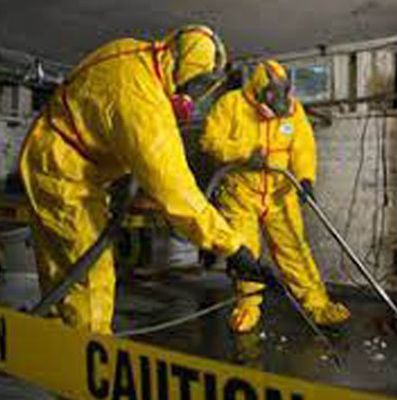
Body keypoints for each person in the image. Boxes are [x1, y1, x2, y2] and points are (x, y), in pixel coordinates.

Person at [19, 25, 260, 334]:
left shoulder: (132, 51)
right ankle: (89, 355)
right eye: (195, 86)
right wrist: (232, 247)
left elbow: (103, 116)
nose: (191, 97)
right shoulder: (143, 103)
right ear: (182, 69)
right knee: (90, 275)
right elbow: (175, 190)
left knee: (61, 265)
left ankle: (55, 337)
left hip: (52, 150)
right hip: (63, 169)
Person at [200, 59, 351, 333]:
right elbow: (210, 141)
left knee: (294, 249)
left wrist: (306, 178)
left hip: (281, 194)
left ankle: (318, 306)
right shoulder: (230, 105)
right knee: (246, 252)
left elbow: (303, 147)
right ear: (258, 92)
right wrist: (244, 152)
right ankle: (247, 308)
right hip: (241, 192)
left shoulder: (294, 112)